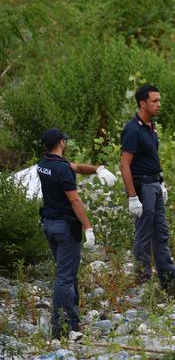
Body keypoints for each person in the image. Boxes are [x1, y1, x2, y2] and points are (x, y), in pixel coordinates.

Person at [37, 128, 117, 339]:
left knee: (67, 273)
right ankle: (64, 328)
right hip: (65, 228)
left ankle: (72, 322)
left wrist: (98, 169)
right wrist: (88, 227)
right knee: (65, 278)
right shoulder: (63, 170)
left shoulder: (44, 165)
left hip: (49, 225)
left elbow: (75, 166)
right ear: (62, 143)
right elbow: (74, 200)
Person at [120, 84, 175, 288]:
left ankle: (168, 276)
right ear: (142, 103)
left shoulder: (150, 127)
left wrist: (161, 182)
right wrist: (132, 196)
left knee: (161, 233)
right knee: (144, 234)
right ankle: (142, 278)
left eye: (159, 100)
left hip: (154, 183)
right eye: (154, 101)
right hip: (142, 186)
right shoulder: (132, 129)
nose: (158, 104)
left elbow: (152, 158)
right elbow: (125, 164)